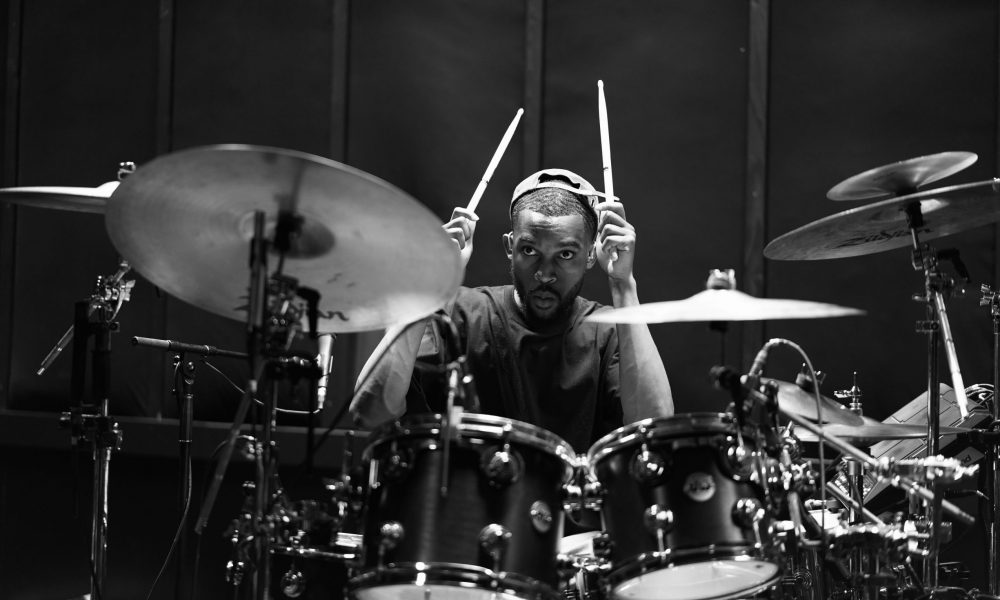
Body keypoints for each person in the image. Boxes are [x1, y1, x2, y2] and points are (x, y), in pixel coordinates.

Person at [350, 168, 673, 451]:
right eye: (529, 250)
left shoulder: (607, 329)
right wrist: (428, 286)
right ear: (510, 247)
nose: (544, 274)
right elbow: (369, 413)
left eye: (565, 254)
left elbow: (654, 427)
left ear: (591, 255)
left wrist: (623, 284)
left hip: (572, 504)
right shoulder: (457, 314)